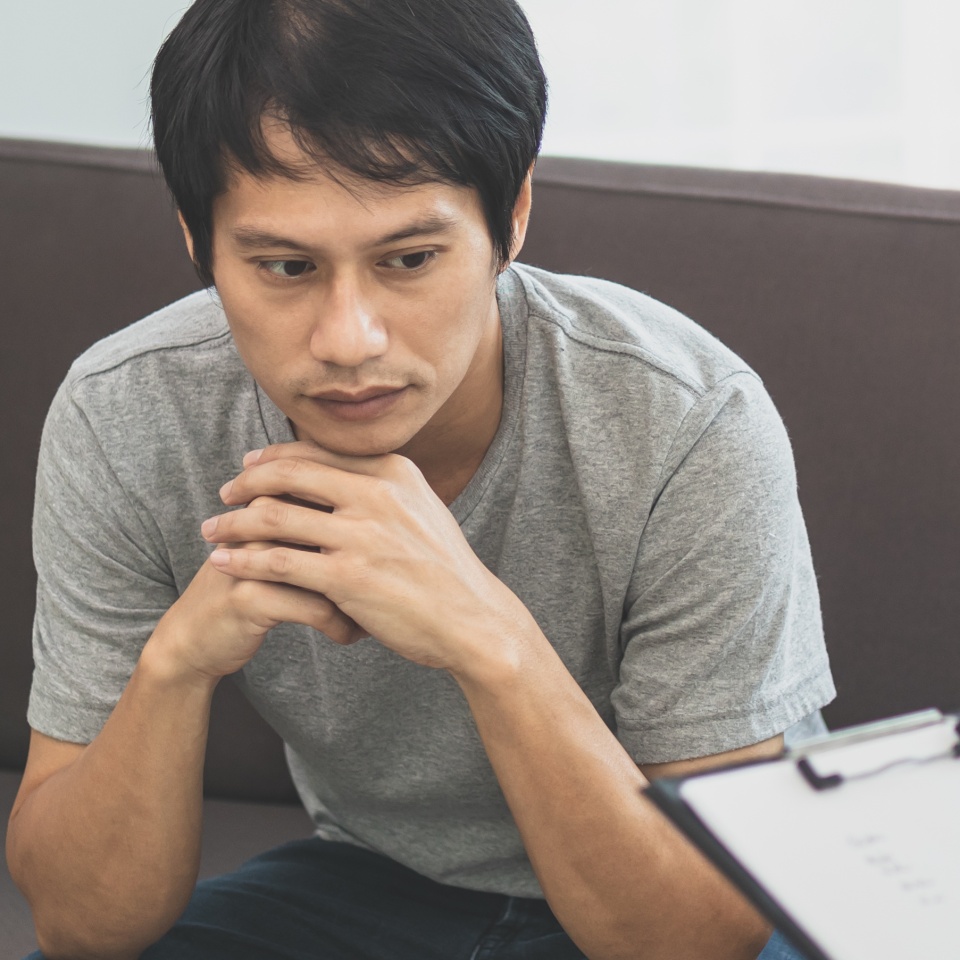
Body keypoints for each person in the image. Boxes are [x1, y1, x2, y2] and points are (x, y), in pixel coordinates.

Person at [6, 1, 834, 958]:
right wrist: (176, 665)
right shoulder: (126, 414)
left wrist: (487, 639)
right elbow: (79, 927)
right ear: (198, 243)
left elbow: (698, 938)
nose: (348, 340)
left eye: (410, 259)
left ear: (511, 217)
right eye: (284, 265)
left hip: (684, 890)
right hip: (373, 882)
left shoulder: (688, 420)